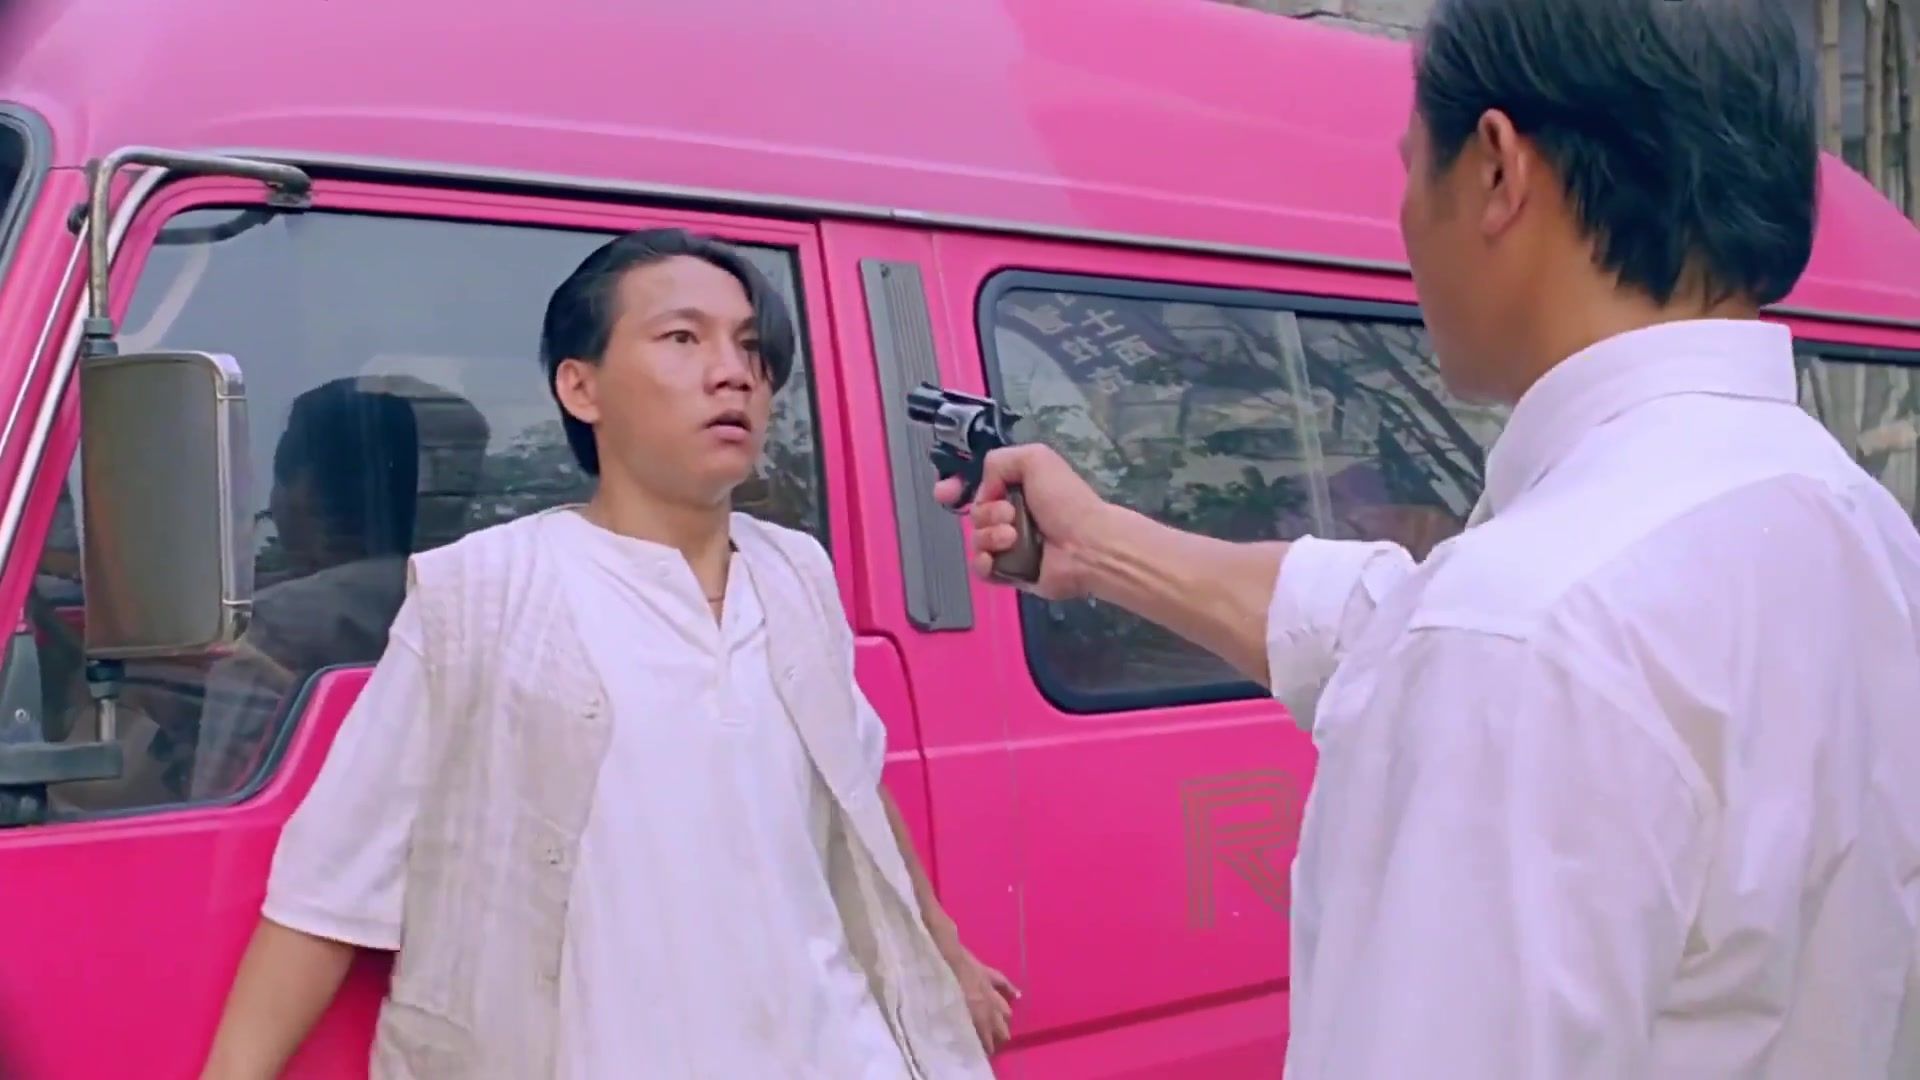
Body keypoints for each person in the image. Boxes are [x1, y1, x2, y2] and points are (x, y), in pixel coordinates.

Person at [943, 1, 1920, 1076]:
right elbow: (1382, 622)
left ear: (1497, 170)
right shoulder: (1860, 528)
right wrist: (1100, 545)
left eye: (1412, 168)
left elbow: (1478, 642)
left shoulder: (1520, 634)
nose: (1406, 221)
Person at [201, 228, 1009, 1079]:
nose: (733, 372)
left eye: (749, 347)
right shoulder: (483, 594)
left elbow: (853, 785)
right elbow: (324, 894)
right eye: (682, 337)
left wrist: (944, 951)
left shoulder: (797, 573)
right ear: (580, 388)